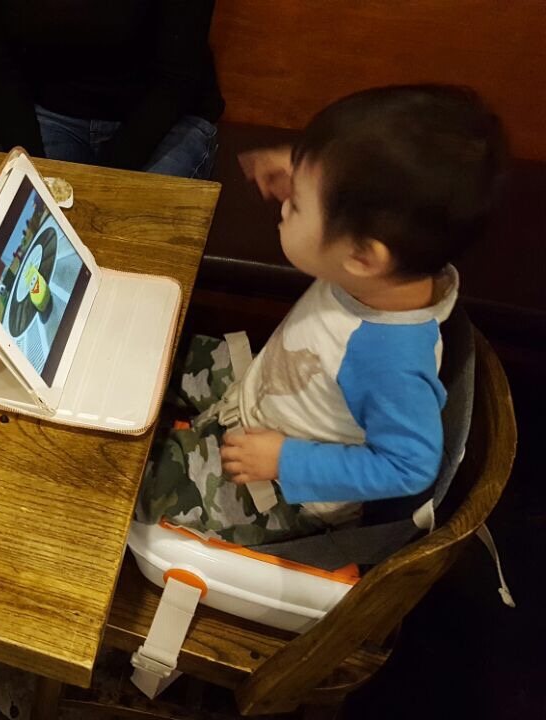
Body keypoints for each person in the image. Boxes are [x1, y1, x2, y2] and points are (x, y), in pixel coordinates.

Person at [135, 85, 508, 546]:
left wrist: (285, 460)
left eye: (298, 203)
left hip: (282, 485)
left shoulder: (390, 360)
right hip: (263, 394)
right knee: (146, 344)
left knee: (125, 481)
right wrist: (307, 173)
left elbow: (409, 466)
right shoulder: (389, 272)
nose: (283, 205)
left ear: (362, 257)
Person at [0, 0, 223, 179]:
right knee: (25, 224)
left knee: (129, 233)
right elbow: (0, 66)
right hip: (53, 113)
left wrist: (101, 179)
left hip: (166, 119)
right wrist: (34, 177)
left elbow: (177, 80)